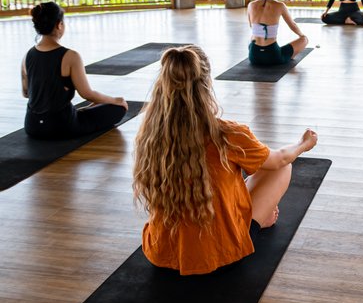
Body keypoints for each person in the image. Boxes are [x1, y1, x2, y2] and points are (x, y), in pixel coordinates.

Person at [133, 45, 318, 275]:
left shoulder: (150, 135)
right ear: (206, 85)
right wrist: (303, 144)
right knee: (281, 168)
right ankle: (258, 222)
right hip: (220, 251)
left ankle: (250, 215)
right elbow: (279, 160)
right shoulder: (227, 134)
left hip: (162, 251)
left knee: (235, 171)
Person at [21, 2, 127, 140]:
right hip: (61, 126)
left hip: (32, 126)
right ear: (59, 25)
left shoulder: (27, 56)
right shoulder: (71, 56)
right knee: (119, 108)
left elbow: (26, 93)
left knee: (87, 109)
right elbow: (87, 94)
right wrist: (115, 100)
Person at [248, 0, 308, 66]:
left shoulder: (251, 5)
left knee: (253, 37)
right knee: (304, 40)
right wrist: (302, 35)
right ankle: (289, 56)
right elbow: (293, 25)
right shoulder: (280, 6)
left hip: (254, 56)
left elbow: (251, 26)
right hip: (272, 56)